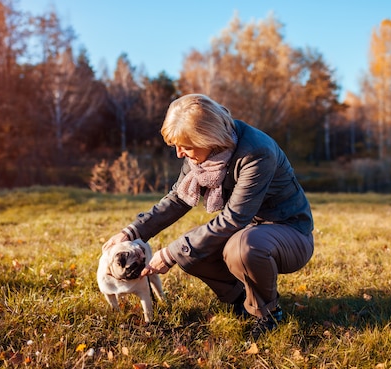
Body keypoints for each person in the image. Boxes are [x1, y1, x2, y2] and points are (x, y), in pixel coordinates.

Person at [102, 94, 314, 339]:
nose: (180, 154)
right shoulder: (202, 156)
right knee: (191, 250)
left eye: (186, 146)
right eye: (176, 147)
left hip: (289, 233)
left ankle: (267, 314)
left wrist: (170, 253)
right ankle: (241, 301)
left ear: (208, 137)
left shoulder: (257, 153)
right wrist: (132, 231)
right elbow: (177, 199)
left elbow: (234, 218)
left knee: (239, 247)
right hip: (248, 230)